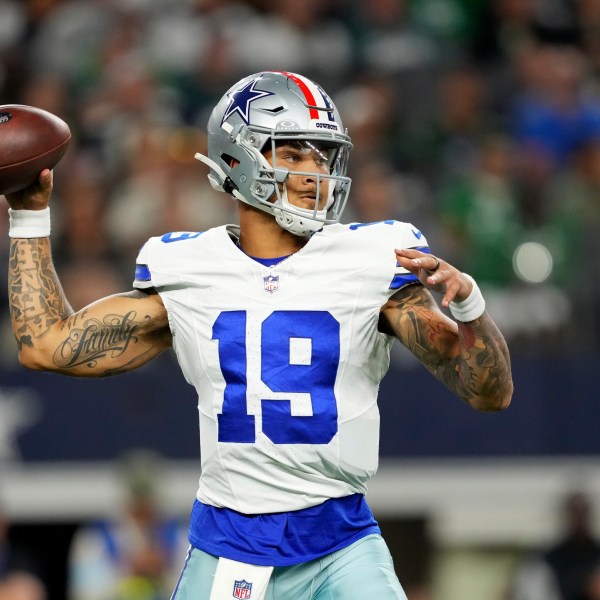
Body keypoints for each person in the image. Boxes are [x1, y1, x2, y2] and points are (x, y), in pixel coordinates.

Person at [3, 71, 513, 600]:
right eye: (294, 155)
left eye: (322, 156)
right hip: (228, 544)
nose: (315, 172)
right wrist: (29, 213)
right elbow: (47, 346)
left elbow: (488, 393)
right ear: (236, 161)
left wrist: (472, 308)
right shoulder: (187, 268)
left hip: (339, 542)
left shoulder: (372, 261)